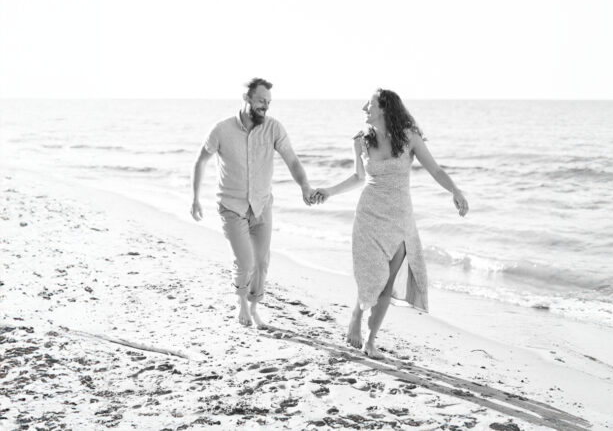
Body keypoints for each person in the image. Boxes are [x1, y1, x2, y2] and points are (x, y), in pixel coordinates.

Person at [312, 88, 469, 359]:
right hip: (369, 215)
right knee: (370, 274)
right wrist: (329, 191)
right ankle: (357, 314)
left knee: (386, 282)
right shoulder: (361, 141)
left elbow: (436, 169)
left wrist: (455, 190)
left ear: (384, 108)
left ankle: (370, 341)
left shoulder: (409, 138)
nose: (364, 108)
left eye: (369, 104)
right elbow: (358, 177)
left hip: (399, 219)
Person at [191, 77, 317, 328]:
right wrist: (195, 198)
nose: (265, 106)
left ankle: (254, 307)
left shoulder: (274, 128)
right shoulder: (221, 129)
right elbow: (201, 161)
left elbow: (292, 160)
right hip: (231, 206)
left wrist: (305, 186)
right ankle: (241, 304)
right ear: (246, 98)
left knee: (261, 262)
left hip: (261, 205)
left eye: (268, 102)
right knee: (245, 261)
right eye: (261, 100)